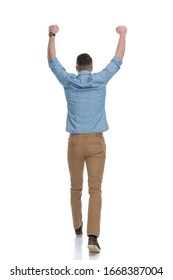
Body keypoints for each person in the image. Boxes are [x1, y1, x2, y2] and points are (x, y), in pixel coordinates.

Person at [47, 24, 127, 253]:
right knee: (95, 189)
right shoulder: (100, 79)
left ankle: (77, 229)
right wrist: (122, 34)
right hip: (96, 143)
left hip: (74, 143)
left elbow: (52, 61)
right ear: (91, 68)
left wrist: (52, 34)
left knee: (75, 188)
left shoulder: (68, 81)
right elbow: (118, 59)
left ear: (76, 67)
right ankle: (93, 237)